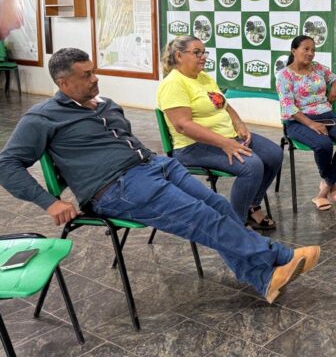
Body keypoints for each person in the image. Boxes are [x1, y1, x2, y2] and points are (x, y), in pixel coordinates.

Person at [0, 48, 318, 304]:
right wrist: (49, 202)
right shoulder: (42, 118)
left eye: (94, 71)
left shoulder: (106, 105)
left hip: (155, 166)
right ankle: (281, 256)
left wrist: (153, 161)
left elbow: (127, 140)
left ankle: (264, 278)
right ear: (63, 83)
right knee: (202, 216)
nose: (95, 79)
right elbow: (7, 164)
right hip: (116, 187)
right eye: (86, 75)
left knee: (219, 207)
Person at [157, 36, 282, 232]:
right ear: (179, 56)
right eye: (197, 53)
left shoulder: (204, 77)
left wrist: (238, 123)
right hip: (192, 146)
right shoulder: (173, 83)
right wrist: (225, 143)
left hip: (227, 136)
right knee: (251, 166)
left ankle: (251, 205)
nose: (203, 57)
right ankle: (236, 225)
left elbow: (224, 105)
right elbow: (183, 125)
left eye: (204, 52)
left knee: (274, 154)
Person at [276, 35, 336, 211]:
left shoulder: (317, 68)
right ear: (294, 51)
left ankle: (326, 186)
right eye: (306, 49)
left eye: (313, 50)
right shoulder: (284, 76)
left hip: (326, 115)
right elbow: (288, 107)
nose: (310, 53)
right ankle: (332, 186)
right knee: (323, 144)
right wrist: (311, 125)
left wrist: (334, 88)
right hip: (298, 121)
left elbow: (334, 78)